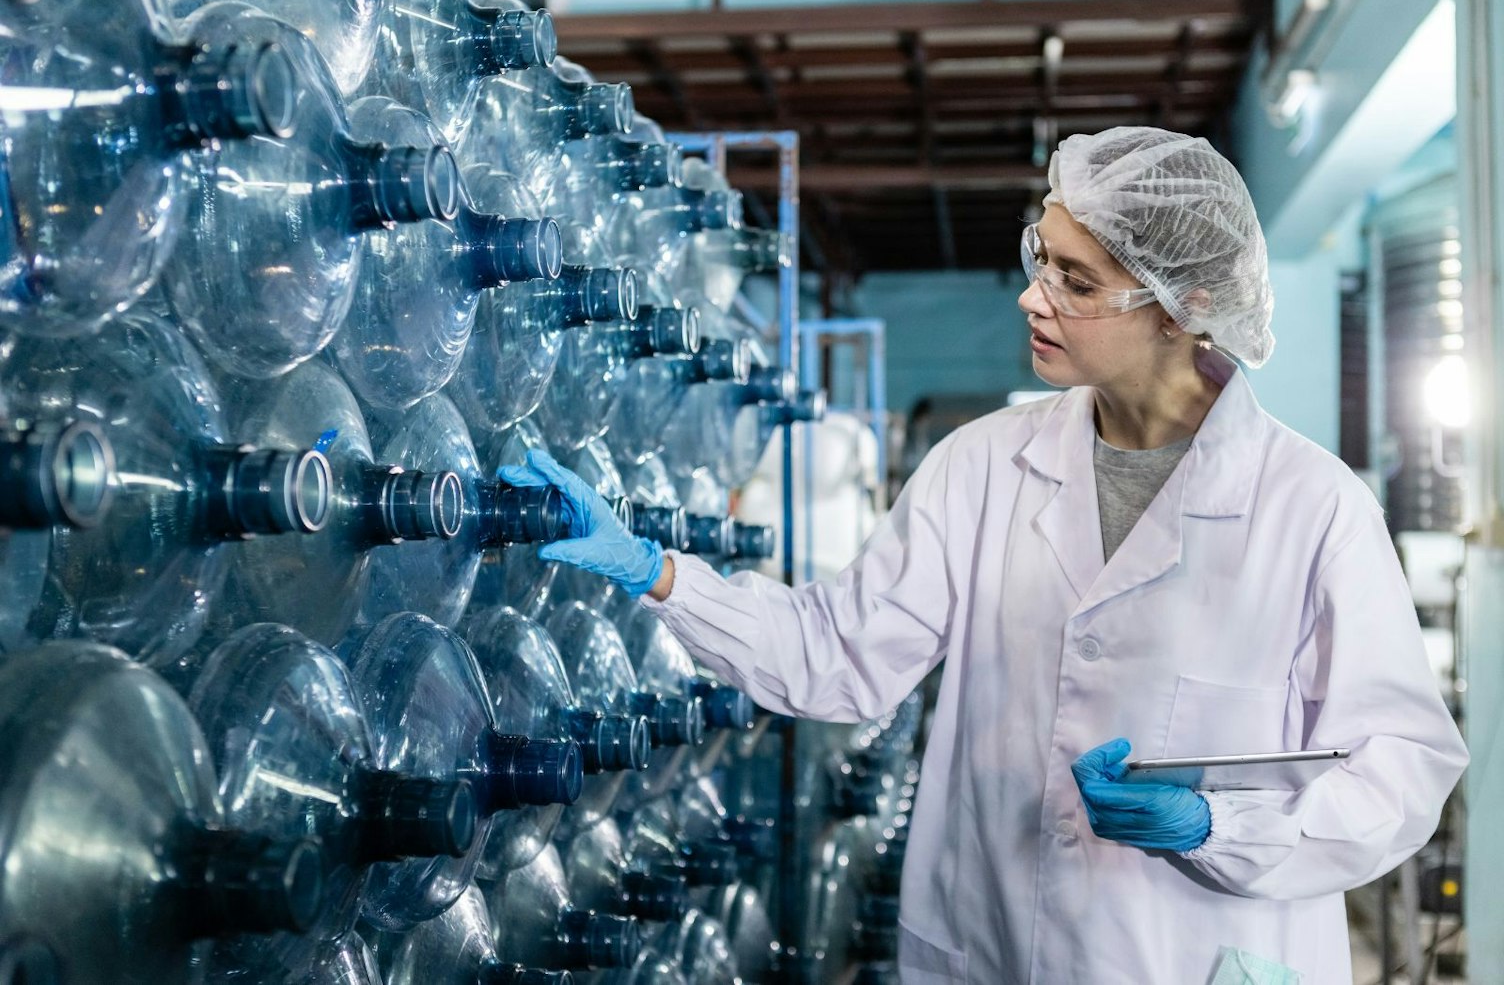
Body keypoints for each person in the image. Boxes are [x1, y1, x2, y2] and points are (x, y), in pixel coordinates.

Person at [502, 127, 1469, 984]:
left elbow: (1403, 766)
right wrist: (656, 570)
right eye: (1040, 260)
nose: (1032, 297)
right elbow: (841, 657)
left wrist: (1224, 828)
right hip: (995, 942)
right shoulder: (981, 468)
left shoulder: (1312, 507)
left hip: (1200, 953)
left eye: (1076, 281)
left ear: (1184, 307)